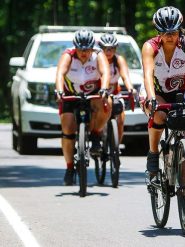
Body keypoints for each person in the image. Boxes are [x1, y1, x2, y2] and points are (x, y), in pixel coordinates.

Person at [141, 6, 185, 181]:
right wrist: (150, 98)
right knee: (158, 116)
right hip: (156, 91)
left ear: (180, 29)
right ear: (158, 32)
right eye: (165, 33)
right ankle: (154, 152)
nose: (170, 36)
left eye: (173, 31)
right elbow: (148, 75)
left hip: (181, 91)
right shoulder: (150, 47)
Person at [55, 29, 112, 185]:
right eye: (80, 49)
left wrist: (105, 89)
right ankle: (69, 167)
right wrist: (59, 91)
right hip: (71, 94)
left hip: (93, 93)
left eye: (87, 49)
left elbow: (105, 72)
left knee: (107, 103)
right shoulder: (68, 55)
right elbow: (60, 73)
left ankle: (95, 134)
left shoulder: (98, 55)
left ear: (92, 48)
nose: (84, 53)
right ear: (75, 47)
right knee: (67, 130)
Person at [98, 33, 137, 144]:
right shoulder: (96, 60)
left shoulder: (118, 60)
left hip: (115, 93)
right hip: (99, 94)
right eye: (105, 48)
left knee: (120, 120)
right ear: (101, 49)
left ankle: (116, 148)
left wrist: (130, 89)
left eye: (112, 48)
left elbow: (125, 76)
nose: (108, 51)